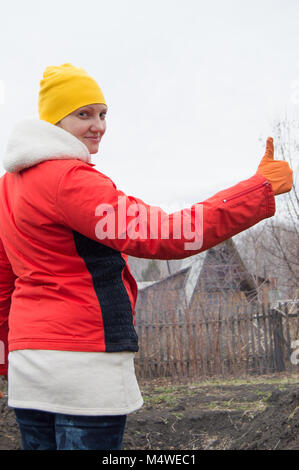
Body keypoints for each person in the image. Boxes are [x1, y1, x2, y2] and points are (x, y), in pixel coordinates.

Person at [0, 63, 293, 450]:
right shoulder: (70, 181)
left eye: (102, 114)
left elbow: (5, 285)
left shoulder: (10, 187)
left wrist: (8, 358)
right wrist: (258, 191)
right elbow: (166, 235)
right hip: (84, 363)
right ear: (54, 121)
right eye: (83, 114)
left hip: (30, 367)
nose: (97, 125)